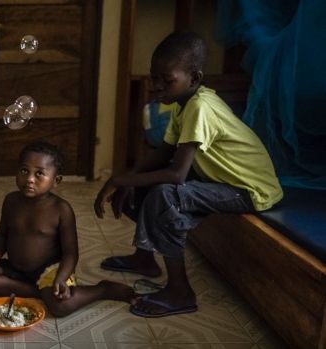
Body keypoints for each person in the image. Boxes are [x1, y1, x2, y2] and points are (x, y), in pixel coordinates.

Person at [94, 31, 283, 318]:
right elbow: (161, 154)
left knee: (164, 194)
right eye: (153, 77)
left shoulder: (200, 107)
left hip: (248, 189)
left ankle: (180, 291)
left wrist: (118, 180)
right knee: (145, 185)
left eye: (166, 80)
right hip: (221, 181)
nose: (156, 86)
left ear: (194, 78)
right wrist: (128, 177)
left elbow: (176, 175)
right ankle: (144, 259)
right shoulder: (183, 105)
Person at [0, 142, 135, 317]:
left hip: (49, 271)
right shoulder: (10, 201)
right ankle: (39, 292)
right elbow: (3, 234)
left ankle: (101, 289)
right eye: (24, 171)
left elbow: (71, 253)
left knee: (61, 307)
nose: (30, 179)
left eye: (39, 173)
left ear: (56, 180)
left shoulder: (61, 209)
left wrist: (61, 278)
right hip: (15, 268)